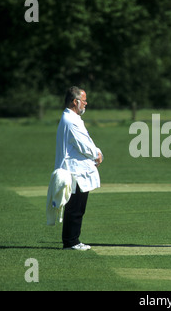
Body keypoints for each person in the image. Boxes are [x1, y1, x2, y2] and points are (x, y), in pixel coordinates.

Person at [54, 86, 103, 250]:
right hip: (75, 171)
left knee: (77, 207)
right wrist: (96, 154)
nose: (86, 103)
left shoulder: (73, 119)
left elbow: (85, 141)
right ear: (75, 101)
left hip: (78, 169)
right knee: (75, 208)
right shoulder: (71, 120)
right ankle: (71, 241)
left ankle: (72, 240)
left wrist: (96, 151)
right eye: (84, 100)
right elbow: (83, 145)